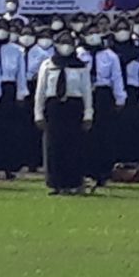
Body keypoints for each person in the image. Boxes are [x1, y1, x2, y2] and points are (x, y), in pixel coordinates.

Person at [31, 34, 94, 195]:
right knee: (53, 146)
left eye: (69, 43)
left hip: (73, 107)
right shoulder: (48, 65)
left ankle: (74, 183)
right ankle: (56, 183)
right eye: (62, 43)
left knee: (73, 146)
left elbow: (87, 91)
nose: (66, 46)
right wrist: (38, 113)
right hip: (54, 108)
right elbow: (41, 91)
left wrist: (88, 114)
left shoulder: (81, 66)